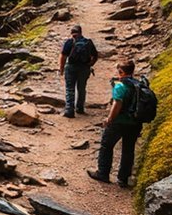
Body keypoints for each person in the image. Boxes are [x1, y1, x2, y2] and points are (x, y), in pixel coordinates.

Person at [87, 59, 142, 187]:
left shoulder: (120, 86)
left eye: (119, 71)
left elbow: (117, 103)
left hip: (119, 122)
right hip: (135, 123)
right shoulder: (139, 85)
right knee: (128, 149)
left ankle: (103, 173)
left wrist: (109, 119)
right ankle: (123, 179)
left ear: (121, 72)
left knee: (106, 145)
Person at [59, 24, 98, 118]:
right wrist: (90, 64)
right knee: (81, 88)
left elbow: (63, 57)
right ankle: (80, 108)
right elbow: (95, 55)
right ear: (81, 32)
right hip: (84, 68)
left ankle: (69, 110)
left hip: (71, 67)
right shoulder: (88, 42)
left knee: (70, 88)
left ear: (72, 33)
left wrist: (61, 69)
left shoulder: (69, 42)